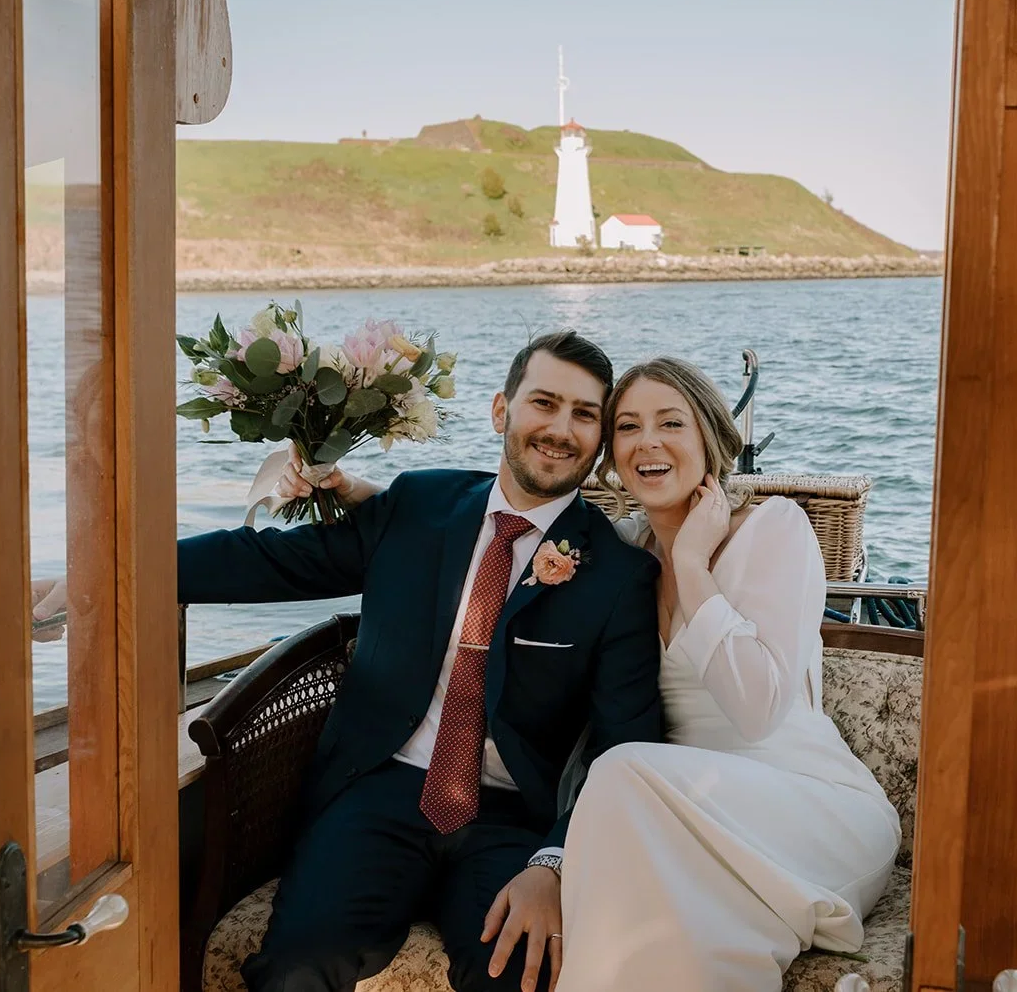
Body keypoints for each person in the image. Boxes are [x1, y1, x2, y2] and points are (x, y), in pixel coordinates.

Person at [35, 331, 662, 992]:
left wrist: (555, 862)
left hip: (512, 818)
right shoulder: (419, 505)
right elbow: (271, 560)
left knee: (520, 974)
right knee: (297, 965)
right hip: (378, 790)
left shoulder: (618, 575)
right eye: (545, 402)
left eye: (584, 414)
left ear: (598, 439)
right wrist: (109, 573)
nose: (561, 429)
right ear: (501, 410)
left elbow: (628, 742)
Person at [300, 356, 899, 991]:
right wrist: (366, 495)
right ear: (609, 455)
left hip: (800, 809)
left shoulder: (774, 528)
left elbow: (758, 712)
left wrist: (693, 568)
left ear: (711, 438)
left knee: (618, 769)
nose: (649, 441)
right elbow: (496, 527)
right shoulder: (619, 551)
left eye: (672, 422)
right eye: (628, 426)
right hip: (672, 821)